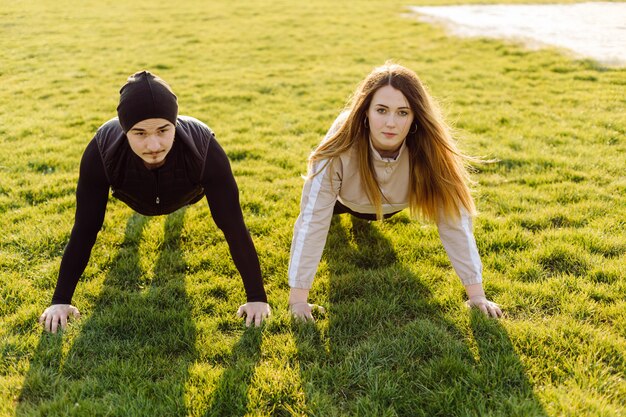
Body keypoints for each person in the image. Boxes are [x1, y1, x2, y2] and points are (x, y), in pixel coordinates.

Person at [39, 71, 271, 333]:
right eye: (139, 133)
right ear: (125, 130)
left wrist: (256, 297)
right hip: (133, 194)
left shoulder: (204, 148)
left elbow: (234, 226)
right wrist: (60, 301)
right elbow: (85, 228)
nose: (153, 144)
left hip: (186, 193)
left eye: (163, 130)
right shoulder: (101, 151)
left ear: (175, 124)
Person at [287, 62, 502, 321]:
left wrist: (476, 295)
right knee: (325, 220)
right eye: (381, 110)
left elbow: (454, 221)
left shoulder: (429, 147)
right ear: (365, 111)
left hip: (392, 204)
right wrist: (298, 301)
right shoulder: (341, 143)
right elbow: (312, 222)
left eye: (402, 112)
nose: (391, 123)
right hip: (344, 201)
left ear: (414, 117)